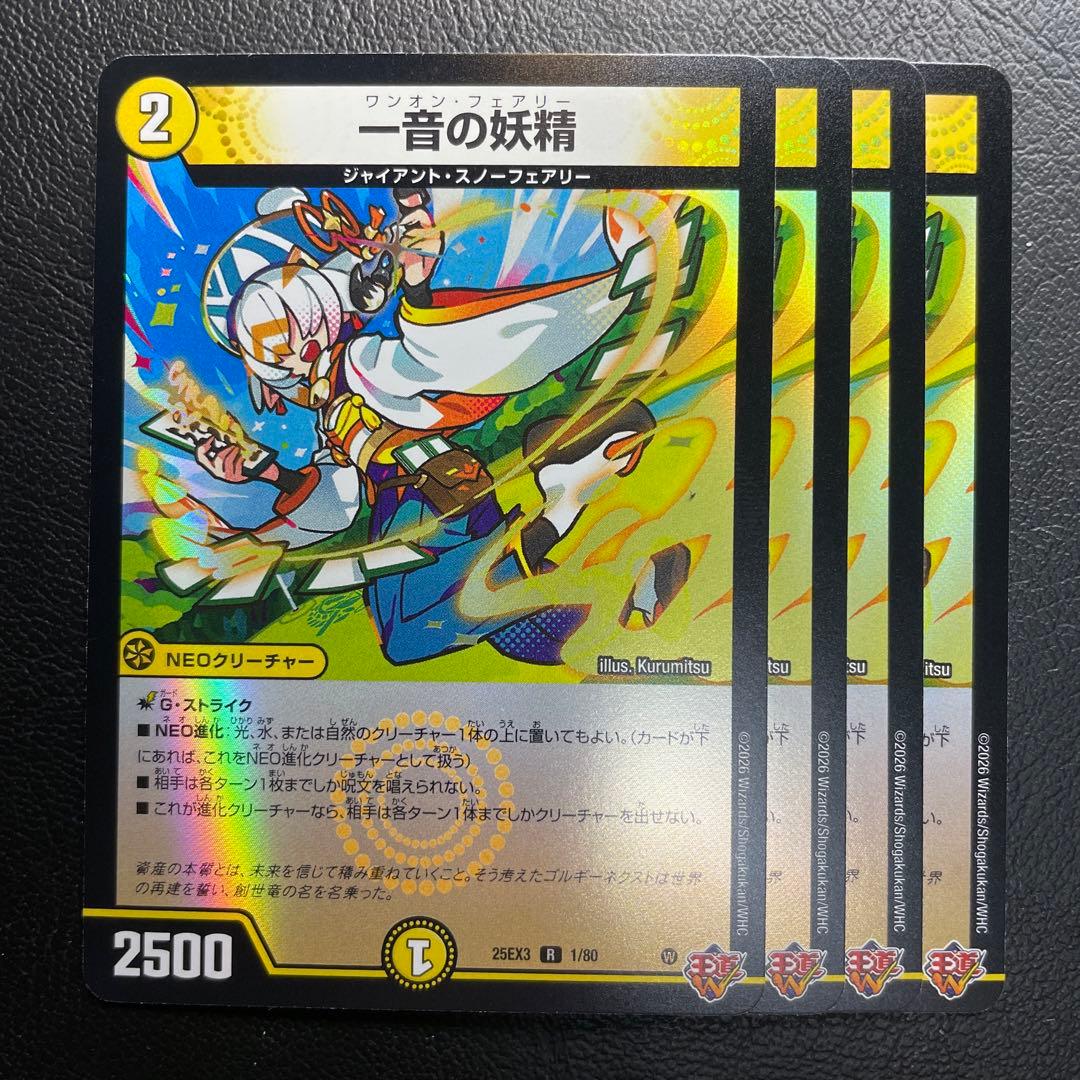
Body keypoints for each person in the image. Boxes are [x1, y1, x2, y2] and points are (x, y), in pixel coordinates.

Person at [196, 187, 657, 664]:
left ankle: (564, 501)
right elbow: (338, 499)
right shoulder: (329, 402)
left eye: (298, 328)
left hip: (430, 494)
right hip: (409, 502)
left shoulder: (360, 361)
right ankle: (637, 586)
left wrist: (418, 293)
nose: (299, 354)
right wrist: (267, 474)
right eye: (277, 355)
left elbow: (430, 361)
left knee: (418, 630)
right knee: (510, 623)